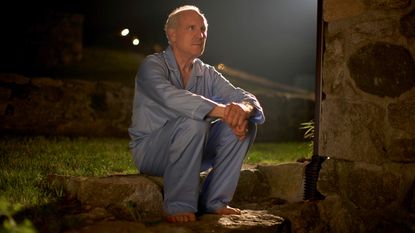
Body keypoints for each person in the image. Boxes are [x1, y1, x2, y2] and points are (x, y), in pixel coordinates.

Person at [128, 5, 265, 223]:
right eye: (191, 28)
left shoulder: (207, 73)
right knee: (195, 123)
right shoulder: (152, 66)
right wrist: (223, 112)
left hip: (195, 149)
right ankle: (178, 205)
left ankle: (215, 201)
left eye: (203, 29)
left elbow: (244, 96)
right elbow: (171, 97)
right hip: (151, 151)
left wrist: (243, 110)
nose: (200, 35)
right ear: (172, 34)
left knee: (244, 124)